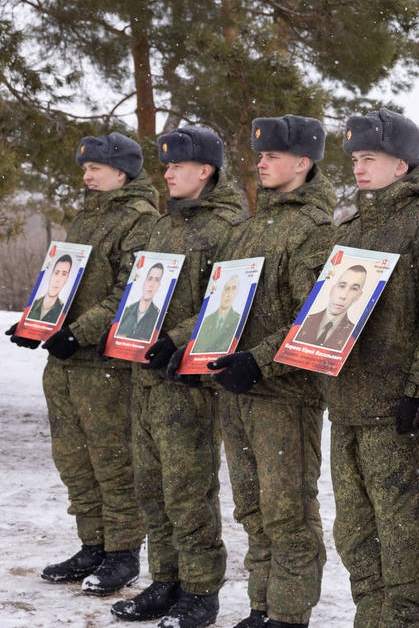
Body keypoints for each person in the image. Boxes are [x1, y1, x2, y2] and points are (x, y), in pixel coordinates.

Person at [326, 109, 419, 626]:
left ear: (402, 164)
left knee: (405, 539)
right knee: (357, 536)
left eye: (371, 158)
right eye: (356, 159)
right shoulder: (354, 227)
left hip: (397, 411)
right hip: (346, 404)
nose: (359, 168)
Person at [6, 132, 157, 596]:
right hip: (66, 364)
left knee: (113, 462)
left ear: (121, 172)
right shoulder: (85, 217)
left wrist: (80, 333)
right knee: (74, 461)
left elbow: (130, 293)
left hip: (105, 366)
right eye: (84, 167)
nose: (86, 175)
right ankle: (92, 545)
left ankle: (122, 554)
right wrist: (37, 323)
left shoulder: (139, 220)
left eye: (95, 167)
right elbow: (62, 282)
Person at [204, 114, 334, 628]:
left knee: (289, 513)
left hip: (285, 395)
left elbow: (320, 320)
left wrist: (258, 363)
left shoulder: (315, 231)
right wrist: (189, 345)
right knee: (253, 510)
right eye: (259, 154)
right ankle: (262, 606)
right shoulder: (249, 228)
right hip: (238, 393)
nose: (260, 162)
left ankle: (287, 614)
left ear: (303, 163)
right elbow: (223, 306)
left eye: (273, 155)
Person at [109, 127, 242, 628]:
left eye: (175, 166)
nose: (164, 173)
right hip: (145, 380)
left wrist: (178, 337)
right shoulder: (165, 227)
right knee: (154, 489)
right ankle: (165, 581)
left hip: (187, 384)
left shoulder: (227, 229)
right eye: (163, 166)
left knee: (188, 493)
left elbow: (228, 302)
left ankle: (200, 591)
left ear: (205, 170)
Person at [295, 264, 367, 350]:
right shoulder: (304, 321)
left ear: (358, 296)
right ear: (332, 289)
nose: (343, 296)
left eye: (354, 289)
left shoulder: (353, 334)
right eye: (342, 286)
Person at [191, 275, 242, 354]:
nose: (229, 294)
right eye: (227, 289)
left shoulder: (239, 320)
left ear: (237, 293)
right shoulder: (206, 320)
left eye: (234, 289)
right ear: (221, 292)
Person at [115, 262, 164, 341]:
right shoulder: (126, 311)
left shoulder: (158, 316)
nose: (151, 284)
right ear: (144, 283)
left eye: (157, 280)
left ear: (158, 286)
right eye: (150, 279)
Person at [27, 254, 73, 324]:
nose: (58, 279)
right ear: (50, 275)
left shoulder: (63, 312)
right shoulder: (33, 305)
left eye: (64, 274)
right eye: (56, 273)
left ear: (66, 279)